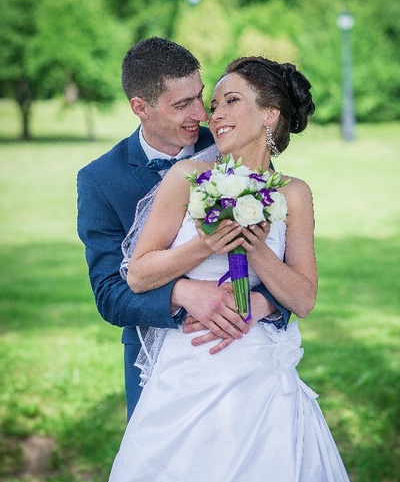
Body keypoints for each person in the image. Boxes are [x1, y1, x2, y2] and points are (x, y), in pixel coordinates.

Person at [64, 56, 365, 482]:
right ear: (142, 107)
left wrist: (257, 262)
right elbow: (130, 278)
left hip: (261, 375)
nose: (210, 114)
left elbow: (303, 295)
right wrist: (203, 253)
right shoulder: (182, 176)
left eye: (225, 100)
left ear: (269, 116)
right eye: (204, 103)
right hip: (188, 367)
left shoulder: (293, 192)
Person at [77, 37, 290, 420]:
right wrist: (181, 293)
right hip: (159, 358)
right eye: (181, 105)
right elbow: (109, 293)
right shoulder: (100, 180)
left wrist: (263, 303)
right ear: (140, 108)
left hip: (247, 349)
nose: (202, 114)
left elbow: (279, 251)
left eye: (200, 97)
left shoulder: (233, 139)